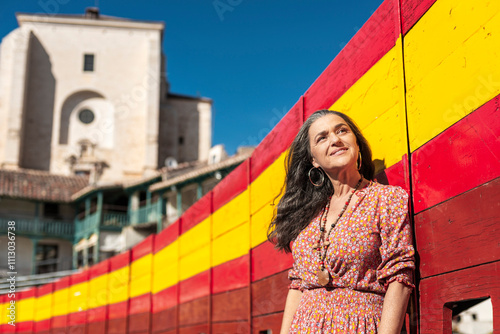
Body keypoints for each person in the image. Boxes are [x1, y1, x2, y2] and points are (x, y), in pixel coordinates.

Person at [268, 109, 416, 333]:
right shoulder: (309, 215)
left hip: (360, 326)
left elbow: (400, 277)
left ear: (356, 144)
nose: (335, 139)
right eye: (322, 137)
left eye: (342, 131)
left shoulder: (386, 198)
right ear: (313, 160)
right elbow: (298, 286)